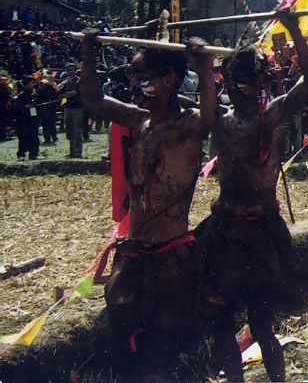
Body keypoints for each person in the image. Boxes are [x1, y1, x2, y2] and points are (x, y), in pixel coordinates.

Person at [193, 11, 308, 383]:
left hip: (261, 231)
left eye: (243, 80)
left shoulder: (273, 114)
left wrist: (293, 29)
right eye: (229, 79)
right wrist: (202, 67)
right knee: (220, 323)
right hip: (222, 230)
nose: (235, 87)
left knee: (262, 325)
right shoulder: (218, 118)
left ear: (260, 81)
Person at [79, 31, 209, 382]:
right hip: (134, 254)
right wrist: (89, 51)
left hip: (171, 257)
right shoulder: (140, 120)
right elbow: (93, 98)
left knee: (159, 357)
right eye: (132, 76)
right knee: (121, 346)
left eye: (142, 77)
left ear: (168, 80)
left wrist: (204, 68)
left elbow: (211, 117)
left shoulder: (189, 124)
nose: (134, 84)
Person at [61, 62, 85, 158]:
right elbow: (59, 93)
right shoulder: (65, 82)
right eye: (68, 70)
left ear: (75, 70)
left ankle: (77, 152)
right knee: (69, 131)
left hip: (77, 108)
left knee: (77, 131)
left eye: (72, 69)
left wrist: (68, 93)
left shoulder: (80, 81)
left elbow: (77, 92)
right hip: (68, 107)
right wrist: (66, 94)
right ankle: (72, 151)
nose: (70, 71)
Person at [14, 76, 41, 160]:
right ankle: (21, 155)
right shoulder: (22, 94)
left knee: (34, 136)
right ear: (27, 84)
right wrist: (26, 107)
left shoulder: (34, 93)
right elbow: (17, 107)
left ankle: (33, 154)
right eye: (32, 83)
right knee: (23, 137)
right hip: (24, 120)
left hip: (33, 118)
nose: (34, 84)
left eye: (34, 82)